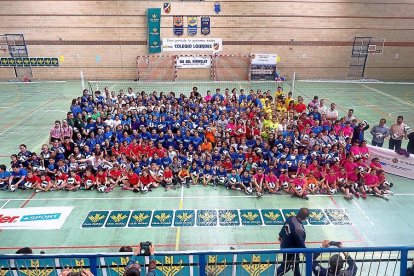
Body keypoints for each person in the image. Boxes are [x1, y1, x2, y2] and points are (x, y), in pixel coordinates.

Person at [276, 207, 310, 276]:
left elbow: (283, 228)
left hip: (285, 245)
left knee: (296, 264)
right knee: (285, 266)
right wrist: (309, 256)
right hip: (291, 251)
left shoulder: (290, 218)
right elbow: (302, 246)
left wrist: (280, 236)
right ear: (306, 217)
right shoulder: (299, 230)